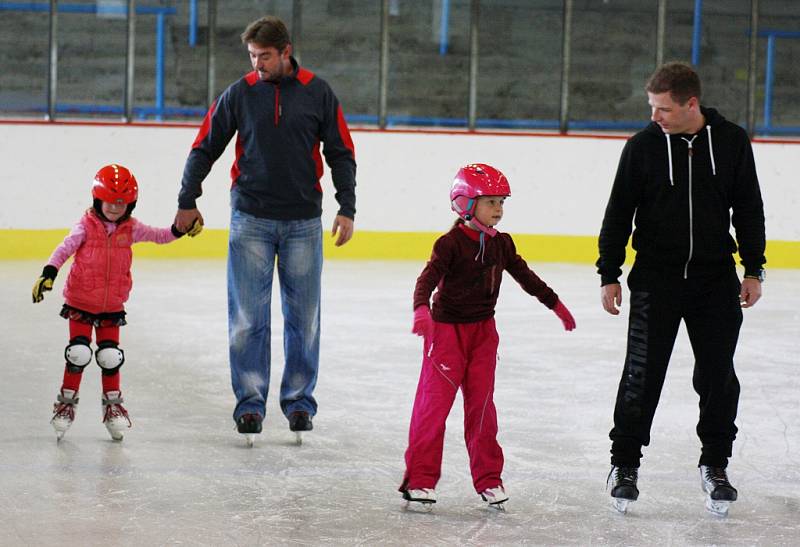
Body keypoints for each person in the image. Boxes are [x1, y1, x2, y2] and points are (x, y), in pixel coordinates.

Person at [173, 15, 357, 445]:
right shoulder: (240, 93)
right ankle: (250, 404)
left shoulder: (318, 92)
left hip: (303, 223)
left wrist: (346, 207)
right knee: (246, 320)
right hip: (250, 219)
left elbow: (341, 152)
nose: (258, 64)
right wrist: (187, 199)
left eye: (265, 57)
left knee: (303, 319)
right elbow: (205, 146)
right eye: (253, 56)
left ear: (286, 51)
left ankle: (298, 402)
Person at [597, 62, 766, 516]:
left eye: (663, 108)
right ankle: (625, 465)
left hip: (715, 281)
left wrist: (754, 269)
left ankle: (715, 465)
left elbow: (749, 207)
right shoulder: (642, 148)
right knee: (641, 376)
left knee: (717, 376)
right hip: (656, 279)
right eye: (652, 107)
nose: (655, 117)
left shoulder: (731, 142)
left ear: (691, 104)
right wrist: (609, 272)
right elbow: (618, 212)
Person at [398, 163, 576, 510]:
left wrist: (555, 303)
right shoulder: (449, 244)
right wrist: (422, 309)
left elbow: (526, 276)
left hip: (484, 334)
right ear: (465, 203)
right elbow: (427, 279)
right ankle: (419, 480)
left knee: (482, 409)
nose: (499, 209)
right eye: (490, 201)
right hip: (446, 333)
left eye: (501, 202)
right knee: (433, 409)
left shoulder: (502, 244)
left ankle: (489, 479)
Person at [32, 164, 201, 442]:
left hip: (112, 304)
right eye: (109, 203)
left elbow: (160, 236)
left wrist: (179, 229)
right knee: (78, 354)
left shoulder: (132, 228)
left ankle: (113, 406)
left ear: (130, 205)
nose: (114, 209)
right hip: (81, 300)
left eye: (121, 204)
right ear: (98, 199)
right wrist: (49, 272)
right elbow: (65, 248)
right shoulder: (85, 226)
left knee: (110, 358)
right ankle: (65, 404)